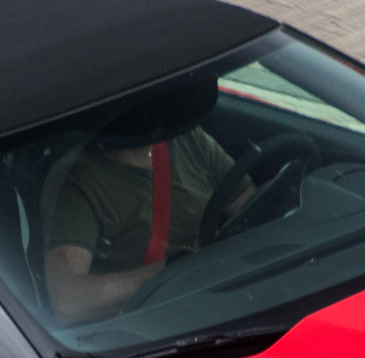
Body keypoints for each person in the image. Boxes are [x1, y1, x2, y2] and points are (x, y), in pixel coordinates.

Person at [41, 120, 239, 324]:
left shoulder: (189, 139)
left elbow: (253, 212)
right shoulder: (75, 179)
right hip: (144, 332)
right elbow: (68, 302)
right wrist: (178, 271)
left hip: (223, 301)